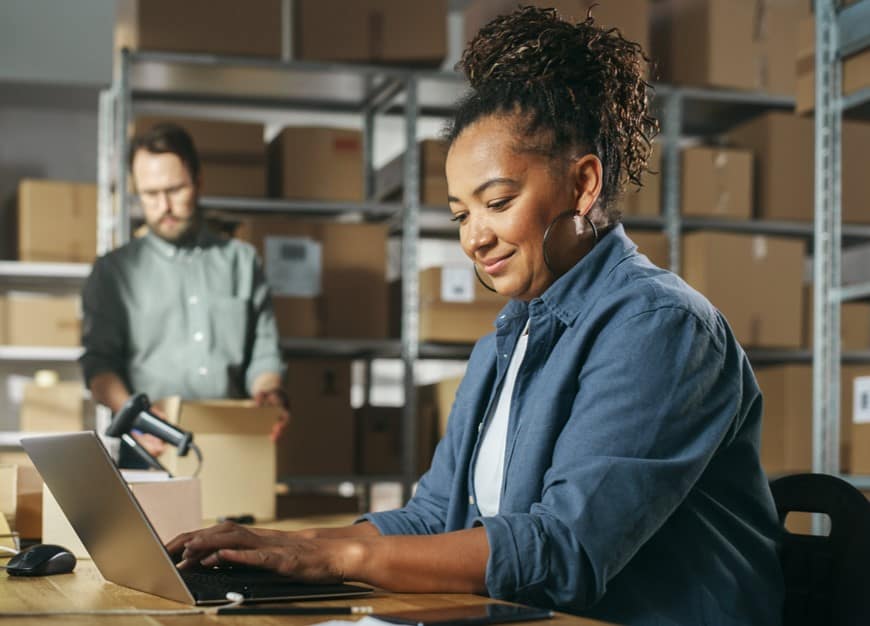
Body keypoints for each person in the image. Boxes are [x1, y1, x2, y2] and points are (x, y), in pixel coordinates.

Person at [166, 8, 784, 624]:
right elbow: (435, 517)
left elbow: (563, 551)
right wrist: (284, 547)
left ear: (584, 183)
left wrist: (335, 560)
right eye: (462, 215)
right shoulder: (509, 336)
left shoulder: (660, 327)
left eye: (498, 202)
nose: (474, 238)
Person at [80, 122, 289, 460]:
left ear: (199, 182)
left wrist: (269, 394)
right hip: (152, 448)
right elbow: (99, 366)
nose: (163, 206)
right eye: (150, 194)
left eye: (175, 189)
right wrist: (137, 416)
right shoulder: (112, 272)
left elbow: (264, 355)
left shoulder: (243, 262)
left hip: (234, 445)